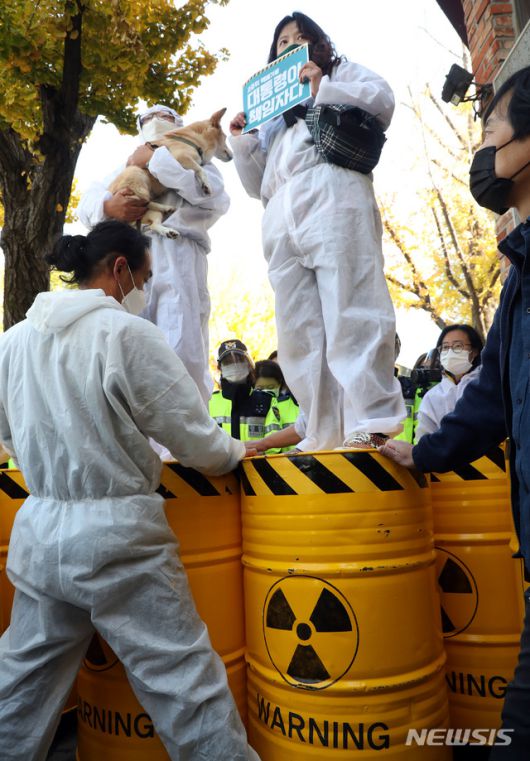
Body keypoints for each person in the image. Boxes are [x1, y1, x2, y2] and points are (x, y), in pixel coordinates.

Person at [0, 221, 259, 761]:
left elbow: (7, 434)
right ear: (120, 269)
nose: (146, 289)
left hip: (41, 536)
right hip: (118, 543)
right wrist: (234, 452)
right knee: (184, 684)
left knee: (20, 686)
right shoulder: (126, 334)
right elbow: (193, 438)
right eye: (145, 277)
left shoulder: (14, 341)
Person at [379, 66, 530, 759]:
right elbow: (492, 396)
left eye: (492, 131)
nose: (482, 152)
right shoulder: (519, 275)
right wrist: (425, 453)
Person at [229, 12, 405, 451]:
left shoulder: (341, 72)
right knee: (299, 328)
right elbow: (255, 184)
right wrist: (244, 140)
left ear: (319, 43)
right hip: (279, 208)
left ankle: (374, 419)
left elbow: (381, 100)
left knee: (352, 304)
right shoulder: (272, 114)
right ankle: (322, 431)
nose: (291, 44)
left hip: (332, 190)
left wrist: (322, 88)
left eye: (301, 36)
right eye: (282, 41)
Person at [78, 104, 230, 405]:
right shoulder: (126, 166)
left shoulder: (201, 161)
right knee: (130, 346)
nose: (156, 121)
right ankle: (138, 430)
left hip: (179, 255)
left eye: (166, 117)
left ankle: (184, 428)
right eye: (148, 118)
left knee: (183, 347)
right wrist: (108, 206)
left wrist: (157, 158)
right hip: (130, 262)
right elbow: (88, 204)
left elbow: (213, 198)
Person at [209, 340, 283, 450]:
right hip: (220, 462)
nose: (234, 365)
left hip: (257, 461)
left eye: (239, 360)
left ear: (248, 364)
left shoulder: (266, 401)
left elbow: (274, 448)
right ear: (220, 368)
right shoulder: (209, 402)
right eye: (228, 362)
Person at [414, 324, 483, 441]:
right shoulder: (432, 396)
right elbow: (423, 438)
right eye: (445, 347)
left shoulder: (487, 387)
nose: (450, 352)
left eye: (458, 346)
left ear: (474, 351)